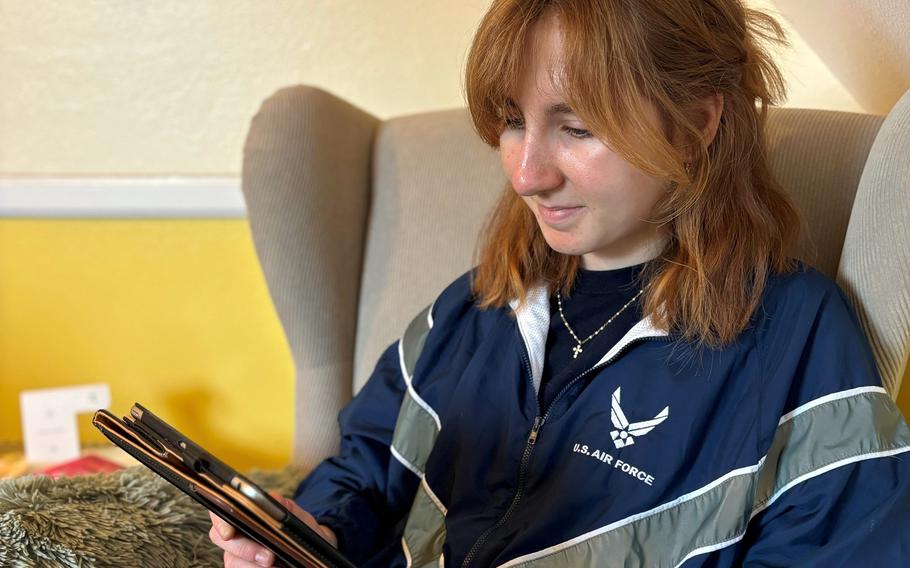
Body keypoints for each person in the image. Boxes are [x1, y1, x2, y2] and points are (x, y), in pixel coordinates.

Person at [210, 0, 910, 566]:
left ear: (696, 125)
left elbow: (842, 546)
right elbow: (364, 469)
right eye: (513, 122)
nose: (525, 175)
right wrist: (311, 531)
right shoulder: (473, 307)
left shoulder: (795, 335)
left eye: (575, 128)